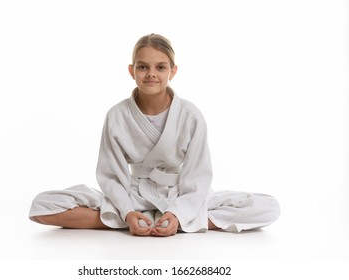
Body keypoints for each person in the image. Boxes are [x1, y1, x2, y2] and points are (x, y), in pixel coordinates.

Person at [29, 33, 280, 237]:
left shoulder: (190, 115)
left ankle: (174, 220)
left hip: (178, 195)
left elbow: (198, 176)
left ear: (173, 71)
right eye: (143, 67)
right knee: (42, 205)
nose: (151, 73)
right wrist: (127, 211)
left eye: (160, 67)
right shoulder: (117, 115)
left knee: (268, 207)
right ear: (132, 70)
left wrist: (178, 213)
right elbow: (111, 175)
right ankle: (142, 220)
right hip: (132, 195)